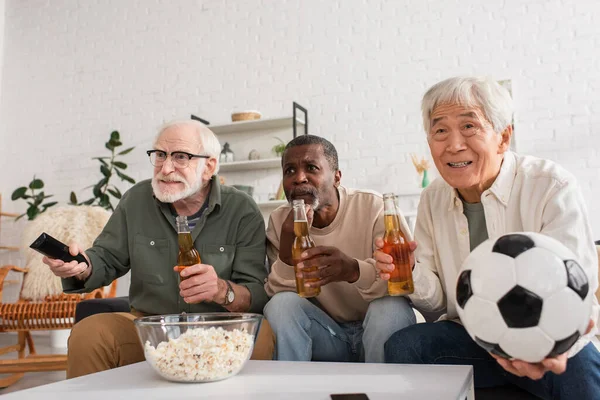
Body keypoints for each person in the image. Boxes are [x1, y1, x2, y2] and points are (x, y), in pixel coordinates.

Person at [376, 76, 600, 399]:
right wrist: (409, 271)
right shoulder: (432, 199)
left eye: (469, 127)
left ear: (503, 137)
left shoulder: (552, 186)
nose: (453, 145)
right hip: (472, 337)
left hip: (541, 339)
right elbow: (438, 303)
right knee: (405, 345)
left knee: (582, 376)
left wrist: (549, 344)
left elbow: (577, 289)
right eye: (440, 131)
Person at [43, 119, 273, 378]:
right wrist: (81, 266)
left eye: (181, 157)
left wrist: (221, 290)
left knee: (262, 335)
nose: (166, 168)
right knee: (90, 333)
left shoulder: (242, 209)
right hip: (151, 329)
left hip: (218, 330)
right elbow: (106, 257)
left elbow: (256, 291)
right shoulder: (136, 200)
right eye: (160, 155)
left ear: (209, 166)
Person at [264, 135, 416, 363]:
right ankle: (292, 389)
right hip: (327, 334)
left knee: (391, 306)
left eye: (311, 168)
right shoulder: (279, 222)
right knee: (280, 305)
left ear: (337, 177)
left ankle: (382, 391)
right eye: (289, 171)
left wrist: (353, 270)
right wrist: (288, 251)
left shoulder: (374, 207)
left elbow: (403, 278)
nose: (299, 178)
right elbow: (277, 294)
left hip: (376, 328)